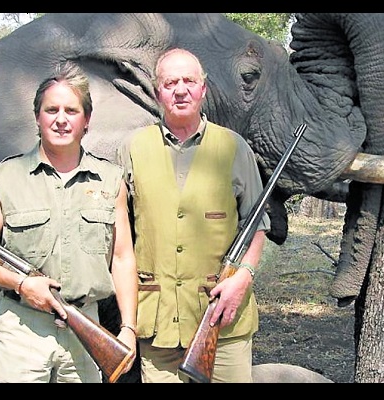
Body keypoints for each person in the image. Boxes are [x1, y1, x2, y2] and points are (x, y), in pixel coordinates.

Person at [0, 60, 138, 383]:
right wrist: (21, 284)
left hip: (86, 328)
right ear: (37, 117)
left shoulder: (110, 180)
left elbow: (122, 258)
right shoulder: (4, 178)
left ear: (86, 120)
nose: (61, 119)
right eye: (51, 110)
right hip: (21, 329)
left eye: (71, 111)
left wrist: (128, 327)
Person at [117, 48, 269, 383]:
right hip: (158, 323)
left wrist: (243, 276)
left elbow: (258, 224)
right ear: (157, 92)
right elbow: (119, 236)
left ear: (203, 88)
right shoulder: (132, 148)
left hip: (223, 320)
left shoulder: (234, 147)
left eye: (189, 81)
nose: (180, 90)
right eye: (170, 83)